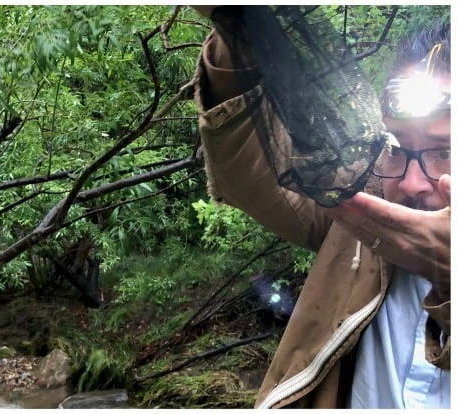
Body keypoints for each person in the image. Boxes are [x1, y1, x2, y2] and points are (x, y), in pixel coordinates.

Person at [192, 6, 450, 408]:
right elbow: (253, 174)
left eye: (444, 152)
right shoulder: (365, 213)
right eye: (398, 147)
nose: (411, 183)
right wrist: (240, 26)